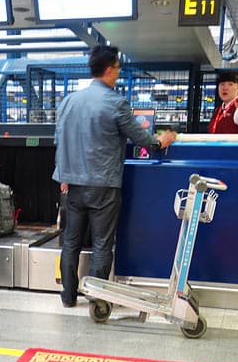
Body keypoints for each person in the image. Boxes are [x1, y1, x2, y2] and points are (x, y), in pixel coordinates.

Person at [53, 44, 177, 308]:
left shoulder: (68, 101)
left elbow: (59, 141)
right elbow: (142, 138)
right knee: (101, 244)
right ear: (109, 69)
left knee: (71, 242)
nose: (118, 73)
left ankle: (67, 295)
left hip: (73, 185)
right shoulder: (115, 103)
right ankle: (98, 300)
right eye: (118, 68)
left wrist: (63, 175)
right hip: (104, 186)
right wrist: (161, 141)